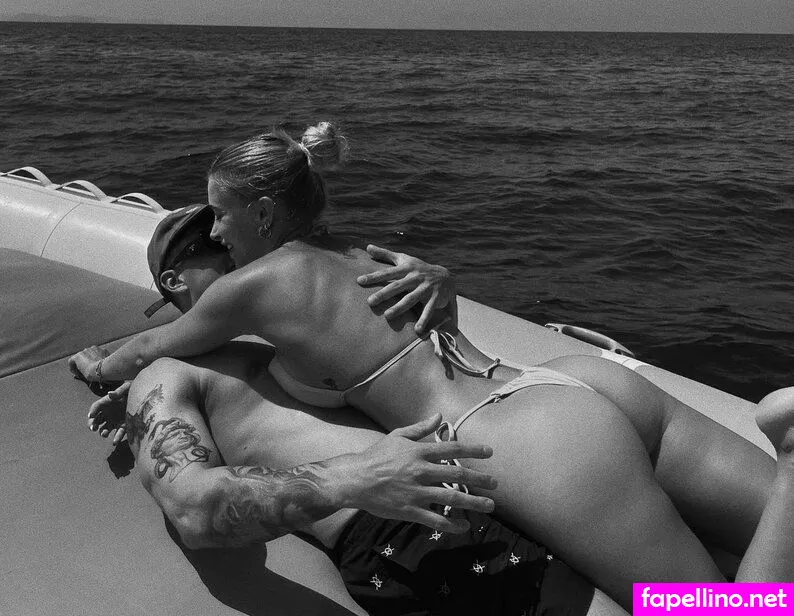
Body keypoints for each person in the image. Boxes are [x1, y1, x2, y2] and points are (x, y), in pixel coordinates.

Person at [70, 122, 794, 609]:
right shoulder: (368, 255)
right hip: (565, 382)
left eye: (221, 214)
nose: (219, 233)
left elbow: (147, 350)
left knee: (723, 612)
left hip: (523, 441)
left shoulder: (252, 287)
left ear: (261, 212)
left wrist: (98, 362)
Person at [87, 208, 600, 616]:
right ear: (175, 280)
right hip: (407, 531)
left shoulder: (278, 332)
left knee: (643, 589)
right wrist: (353, 479)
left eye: (231, 233)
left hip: (487, 481)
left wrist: (442, 282)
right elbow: (192, 511)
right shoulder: (164, 376)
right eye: (210, 244)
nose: (231, 246)